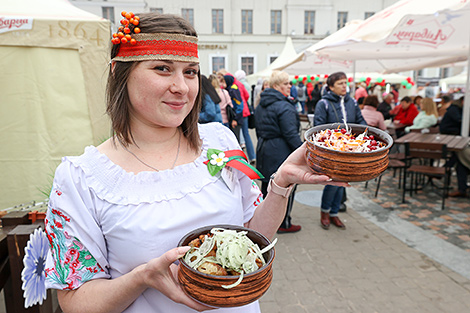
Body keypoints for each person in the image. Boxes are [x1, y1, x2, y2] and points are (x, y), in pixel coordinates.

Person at [44, 12, 348, 313]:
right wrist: (142, 278)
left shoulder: (220, 141)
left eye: (190, 72)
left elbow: (253, 237)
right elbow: (75, 302)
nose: (182, 87)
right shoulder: (82, 178)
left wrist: (281, 183)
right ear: (117, 72)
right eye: (163, 68)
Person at [314, 72, 367, 230]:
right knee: (332, 183)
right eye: (340, 83)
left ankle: (334, 213)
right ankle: (325, 213)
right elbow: (318, 127)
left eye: (345, 82)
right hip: (332, 151)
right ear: (331, 87)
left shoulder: (353, 102)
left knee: (343, 183)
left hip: (351, 151)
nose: (345, 86)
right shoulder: (323, 103)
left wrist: (366, 134)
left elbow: (360, 121)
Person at [254, 70, 304, 234]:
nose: (289, 86)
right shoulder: (284, 105)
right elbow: (291, 134)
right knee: (285, 187)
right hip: (280, 151)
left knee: (267, 186)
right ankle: (284, 223)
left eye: (289, 83)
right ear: (276, 86)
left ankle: (263, 220)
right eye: (285, 83)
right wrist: (304, 153)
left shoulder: (261, 102)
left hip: (264, 149)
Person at [234, 70, 256, 164]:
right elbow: (247, 96)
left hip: (239, 112)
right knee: (246, 134)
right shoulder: (245, 84)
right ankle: (252, 156)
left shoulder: (235, 84)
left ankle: (240, 159)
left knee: (238, 135)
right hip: (246, 109)